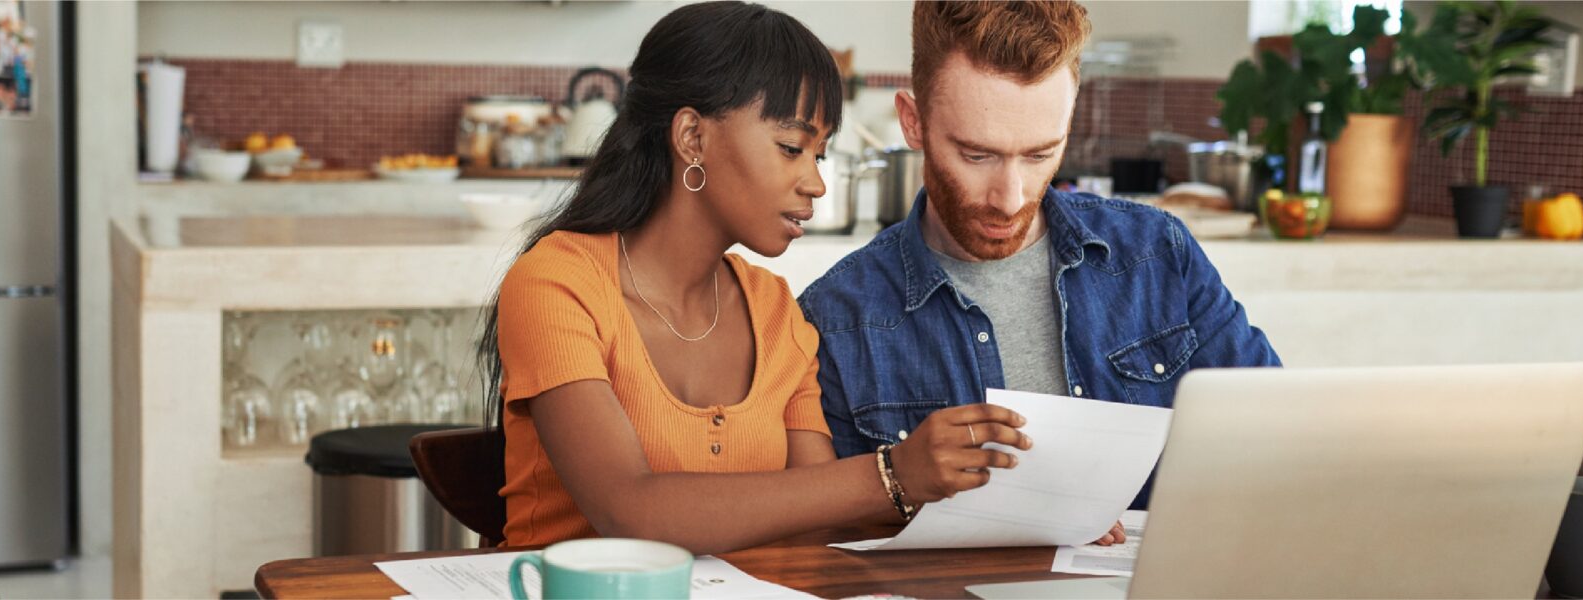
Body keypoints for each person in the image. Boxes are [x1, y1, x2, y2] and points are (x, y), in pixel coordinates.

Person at [476, 1, 1049, 555]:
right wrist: (893, 472)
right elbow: (629, 510)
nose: (815, 184)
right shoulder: (558, 282)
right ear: (692, 138)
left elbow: (820, 518)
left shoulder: (774, 309)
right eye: (791, 147)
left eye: (819, 155)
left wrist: (1034, 516)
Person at [797, 0, 1282, 512]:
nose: (1010, 197)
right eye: (977, 155)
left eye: (1039, 154)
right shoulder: (836, 318)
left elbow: (1277, 434)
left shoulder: (1158, 253)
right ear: (913, 122)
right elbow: (841, 546)